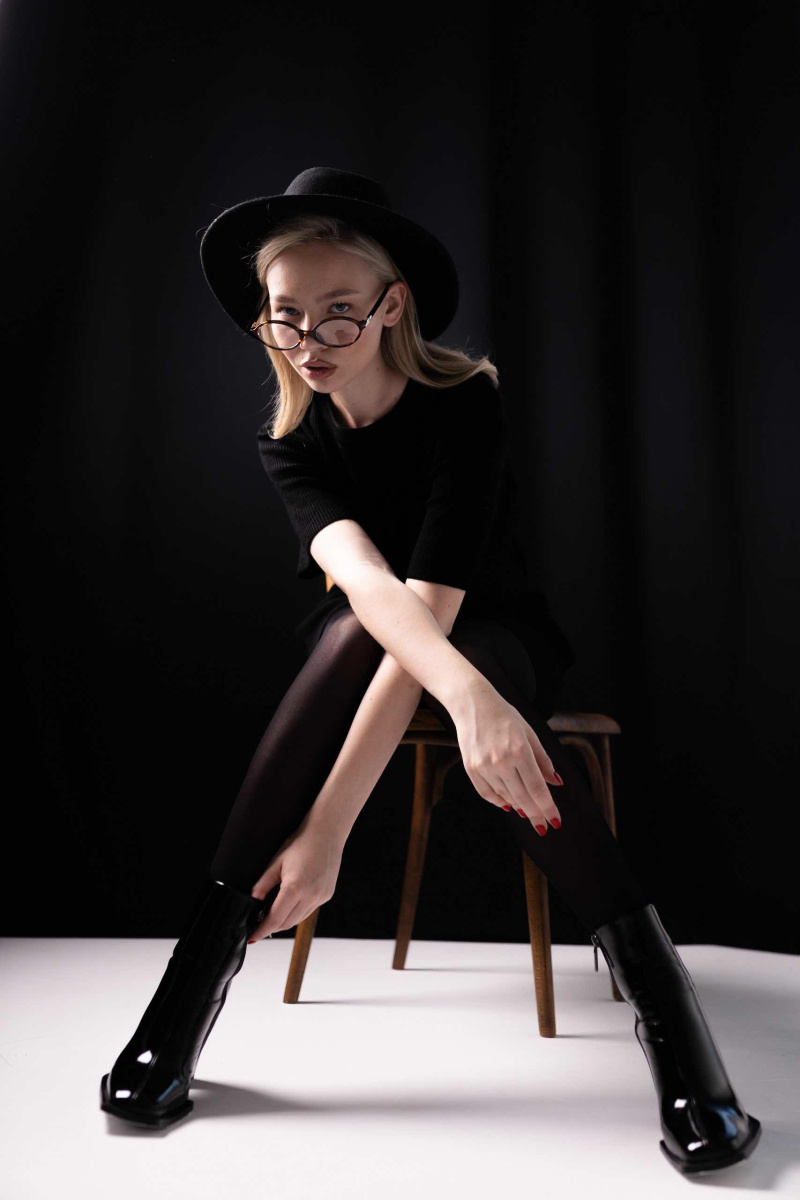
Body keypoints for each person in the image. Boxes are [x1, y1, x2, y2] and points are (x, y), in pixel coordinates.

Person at [100, 167, 761, 1175]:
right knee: (352, 629)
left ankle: (674, 1030)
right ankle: (182, 1005)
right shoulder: (293, 442)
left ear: (390, 305)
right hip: (382, 639)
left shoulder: (463, 404)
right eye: (285, 317)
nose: (309, 341)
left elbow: (436, 607)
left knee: (428, 657)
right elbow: (371, 590)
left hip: (496, 633)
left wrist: (476, 703)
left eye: (337, 313)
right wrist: (328, 832)